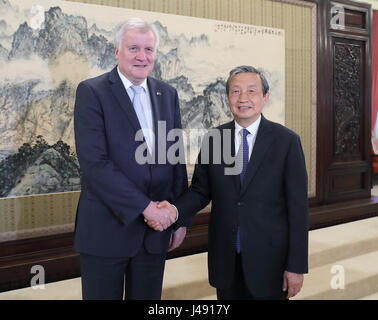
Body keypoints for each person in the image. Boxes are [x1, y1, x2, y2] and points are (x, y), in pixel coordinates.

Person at [148, 65, 309, 300]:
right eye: (235, 91)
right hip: (226, 261)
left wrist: (296, 266)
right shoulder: (214, 139)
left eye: (252, 91)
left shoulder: (286, 142)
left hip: (270, 262)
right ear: (227, 98)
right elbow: (201, 191)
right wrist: (174, 210)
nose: (243, 98)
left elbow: (298, 211)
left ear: (265, 97)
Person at [73, 18, 188, 300]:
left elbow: (175, 158)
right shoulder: (92, 92)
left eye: (148, 49)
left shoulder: (167, 94)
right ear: (117, 51)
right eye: (133, 47)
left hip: (156, 234)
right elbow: (94, 164)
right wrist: (147, 208)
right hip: (106, 229)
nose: (142, 56)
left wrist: (179, 215)